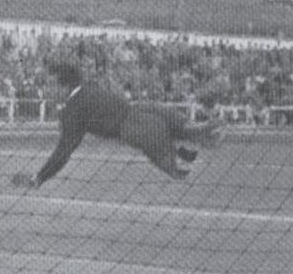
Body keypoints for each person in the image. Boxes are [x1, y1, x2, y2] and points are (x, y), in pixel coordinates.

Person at [12, 61, 222, 188]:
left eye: (50, 84)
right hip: (144, 109)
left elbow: (64, 150)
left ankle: (185, 147)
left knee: (173, 166)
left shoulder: (71, 111)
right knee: (181, 128)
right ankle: (192, 141)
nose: (47, 89)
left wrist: (40, 177)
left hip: (133, 128)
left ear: (62, 85)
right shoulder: (88, 88)